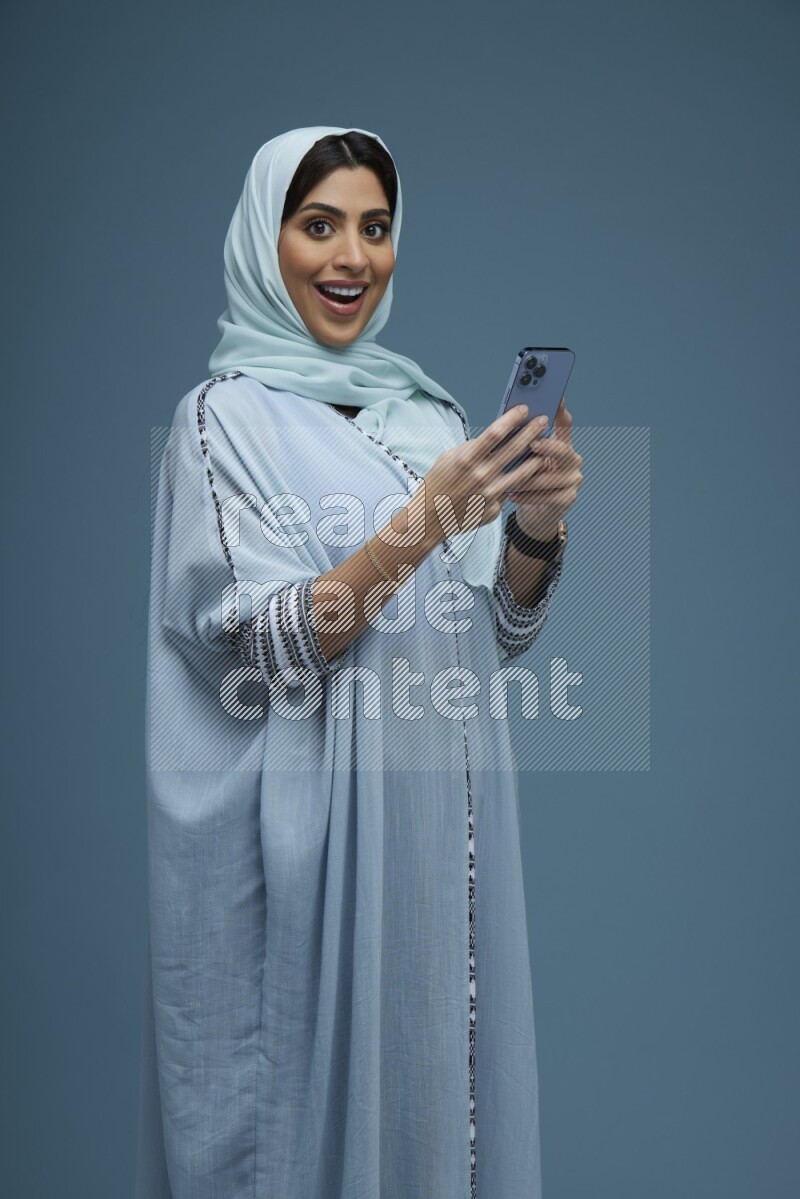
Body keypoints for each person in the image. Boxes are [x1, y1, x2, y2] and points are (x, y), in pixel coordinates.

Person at [135, 125, 583, 1199]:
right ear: (264, 239)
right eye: (317, 224)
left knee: (439, 1114)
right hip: (311, 853)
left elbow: (491, 634)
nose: (350, 258)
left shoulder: (425, 415)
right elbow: (262, 642)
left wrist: (536, 526)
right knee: (297, 1126)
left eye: (374, 228)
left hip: (436, 847)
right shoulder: (220, 423)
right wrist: (418, 525)